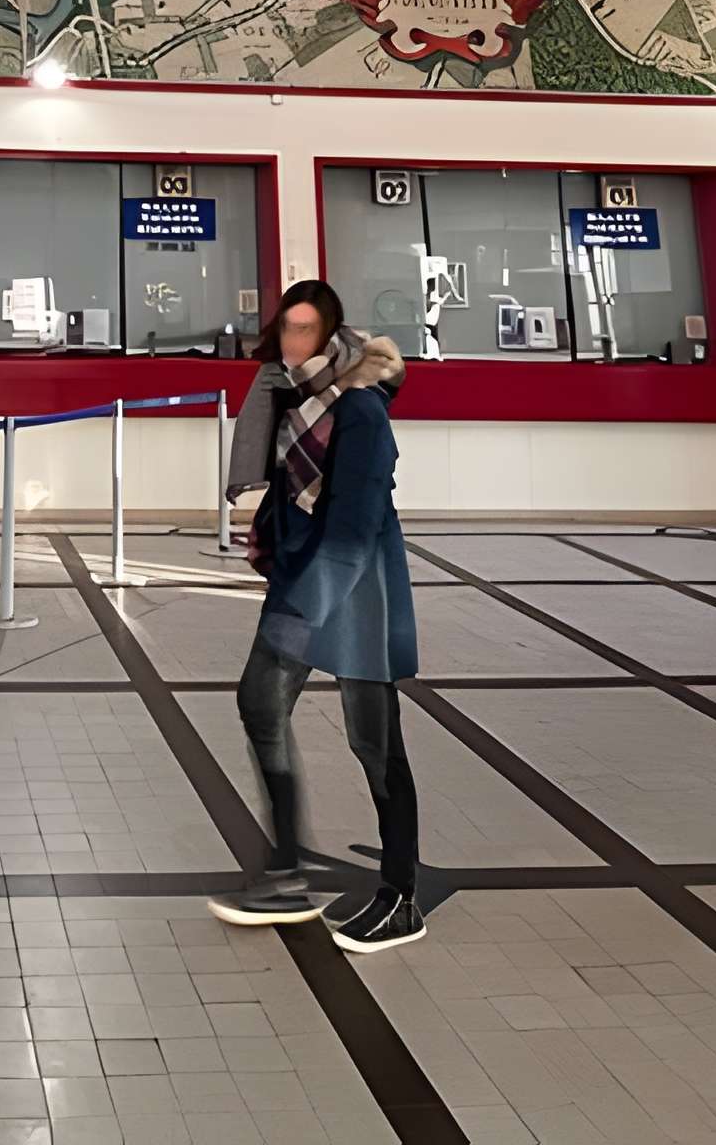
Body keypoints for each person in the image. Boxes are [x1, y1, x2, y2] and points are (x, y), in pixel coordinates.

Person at [211, 278, 423, 953]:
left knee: (374, 742)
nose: (293, 341)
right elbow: (286, 485)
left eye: (307, 330)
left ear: (331, 337)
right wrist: (270, 536)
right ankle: (285, 874)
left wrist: (305, 604)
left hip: (356, 592)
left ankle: (401, 897)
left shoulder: (358, 410)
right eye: (287, 328)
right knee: (260, 705)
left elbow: (356, 528)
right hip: (305, 580)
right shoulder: (290, 395)